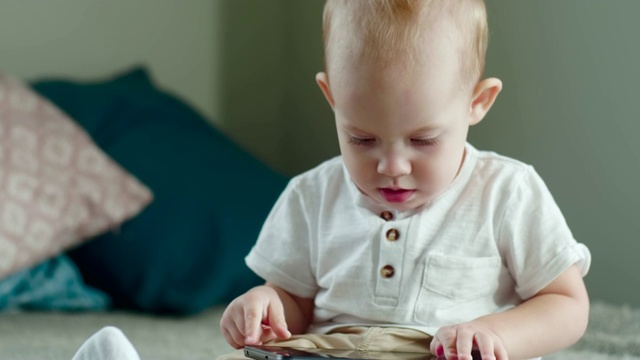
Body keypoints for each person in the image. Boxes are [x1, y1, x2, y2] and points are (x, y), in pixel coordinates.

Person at [219, 1, 591, 360]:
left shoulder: (507, 192)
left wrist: (493, 333)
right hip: (334, 352)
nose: (393, 167)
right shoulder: (310, 196)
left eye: (422, 140)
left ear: (477, 102)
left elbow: (566, 304)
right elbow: (294, 303)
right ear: (332, 97)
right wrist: (267, 306)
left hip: (444, 352)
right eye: (362, 139)